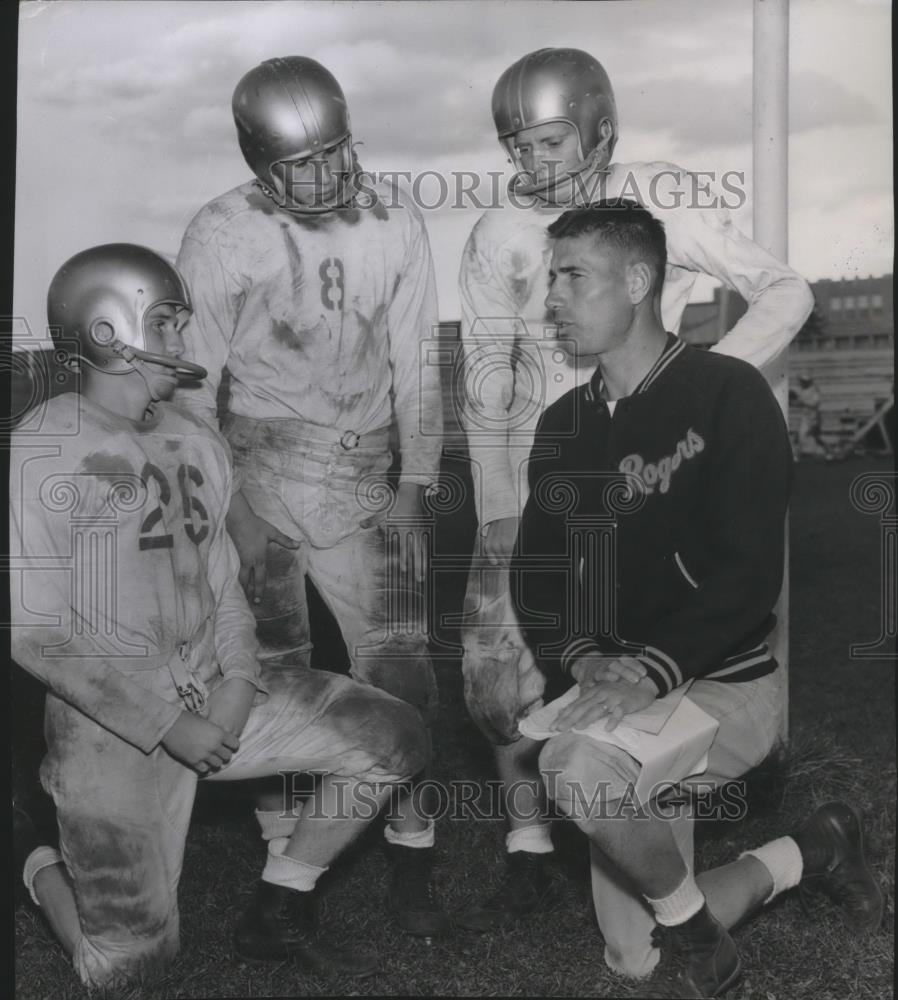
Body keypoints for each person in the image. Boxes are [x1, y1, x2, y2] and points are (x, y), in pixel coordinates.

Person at [456, 46, 815, 933]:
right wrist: (501, 506)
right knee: (503, 683)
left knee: (659, 641)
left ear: (599, 127)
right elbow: (483, 373)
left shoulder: (661, 197)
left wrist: (702, 387)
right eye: (518, 148)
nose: (532, 165)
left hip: (653, 480)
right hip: (550, 466)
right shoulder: (498, 233)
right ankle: (530, 849)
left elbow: (786, 288)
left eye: (547, 142)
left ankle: (651, 811)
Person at [9, 244, 429, 989]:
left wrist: (238, 678)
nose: (181, 340)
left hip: (213, 684)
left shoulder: (196, 436)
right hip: (112, 722)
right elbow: (35, 631)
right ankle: (31, 857)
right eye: (166, 322)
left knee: (394, 736)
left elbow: (222, 584)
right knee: (129, 971)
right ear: (108, 330)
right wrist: (168, 725)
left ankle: (284, 898)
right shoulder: (46, 442)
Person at [509, 202, 882, 995]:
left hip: (725, 684)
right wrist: (580, 656)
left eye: (574, 276)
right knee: (635, 956)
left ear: (639, 280)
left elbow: (749, 572)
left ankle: (693, 932)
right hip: (619, 692)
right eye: (552, 278)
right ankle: (811, 850)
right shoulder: (562, 424)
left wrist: (647, 667)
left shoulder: (727, 391)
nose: (554, 297)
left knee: (571, 767)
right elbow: (537, 571)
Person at [173, 56, 447, 936]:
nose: (326, 177)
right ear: (259, 161)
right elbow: (188, 387)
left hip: (368, 474)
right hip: (255, 467)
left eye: (337, 153)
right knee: (275, 679)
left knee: (404, 671)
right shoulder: (220, 231)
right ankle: (284, 872)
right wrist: (232, 509)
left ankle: (413, 854)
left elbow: (417, 359)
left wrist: (416, 481)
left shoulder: (395, 218)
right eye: (302, 163)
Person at [791, 373, 829, 459]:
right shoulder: (804, 391)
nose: (801, 383)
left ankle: (827, 451)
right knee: (802, 435)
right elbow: (800, 403)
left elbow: (815, 404)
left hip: (814, 417)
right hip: (806, 417)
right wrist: (793, 403)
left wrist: (802, 403)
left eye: (803, 381)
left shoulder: (814, 391)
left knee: (813, 436)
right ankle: (797, 455)